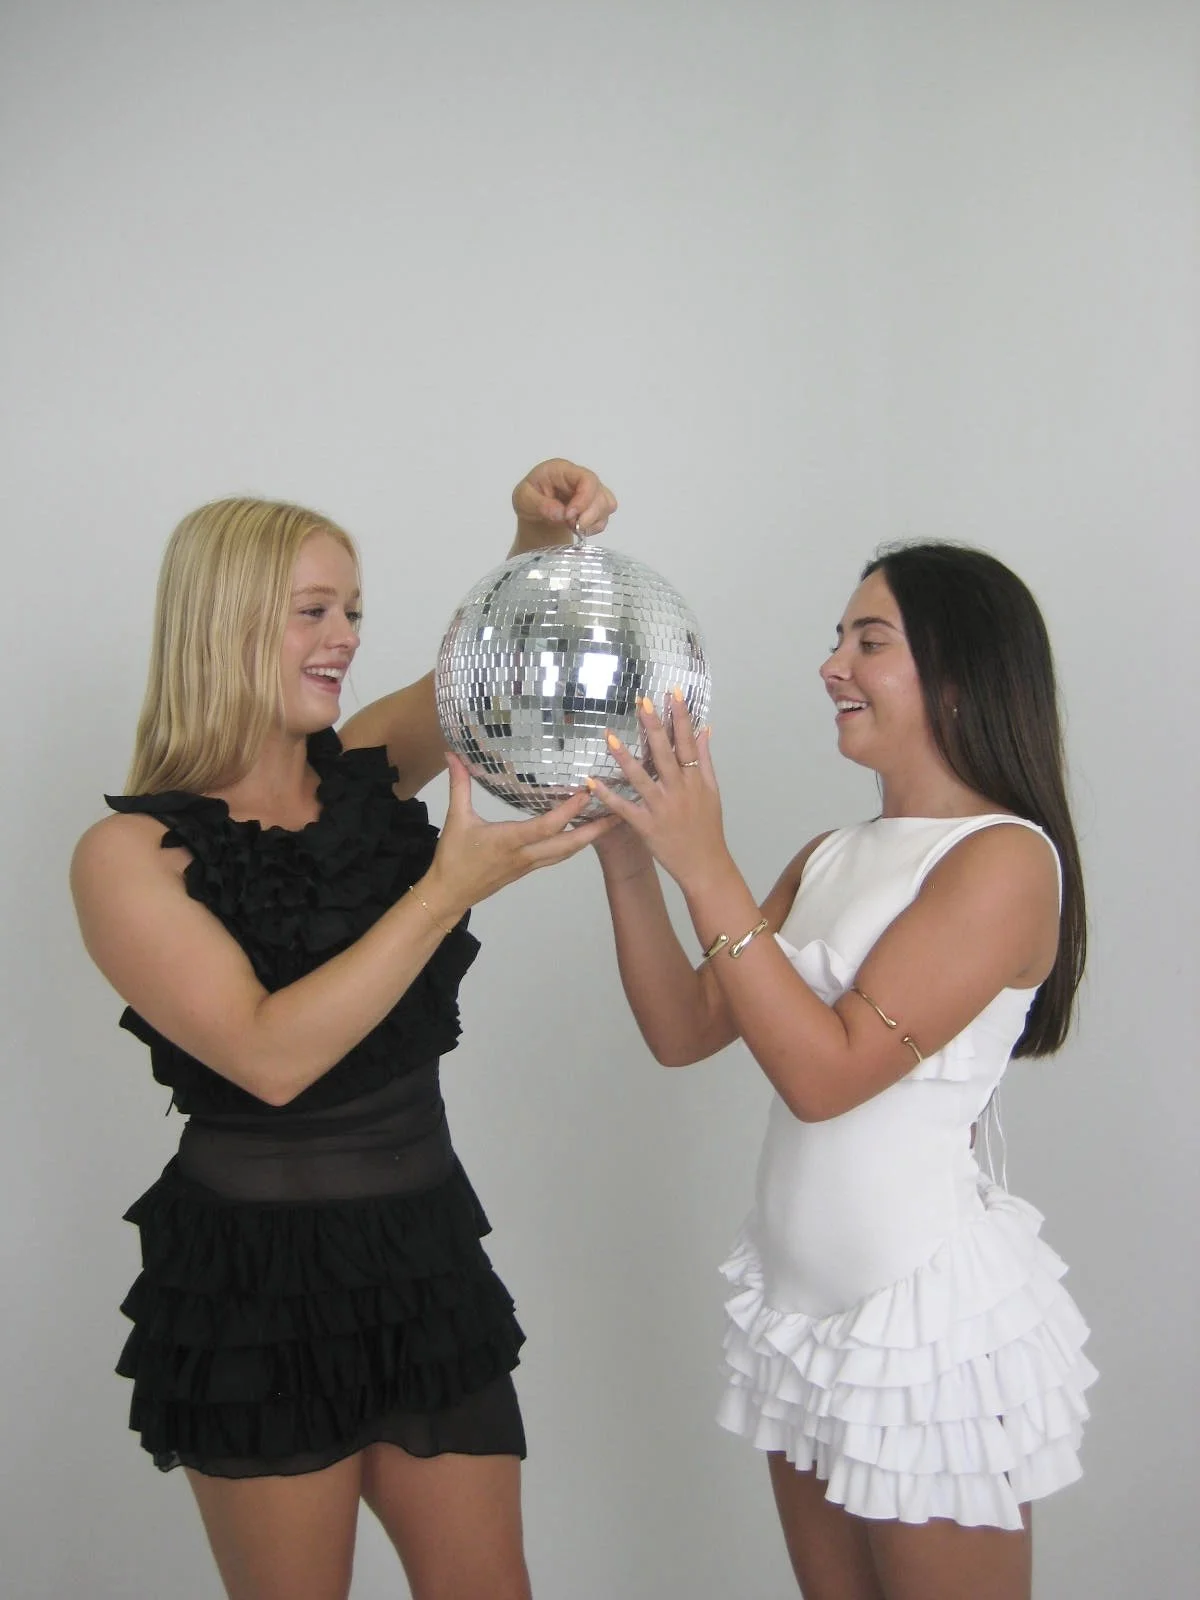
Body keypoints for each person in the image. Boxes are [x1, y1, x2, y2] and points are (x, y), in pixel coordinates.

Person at [69, 458, 617, 1600]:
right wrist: (443, 890)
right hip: (250, 1287)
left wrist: (531, 541)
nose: (345, 636)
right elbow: (268, 1056)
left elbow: (489, 665)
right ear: (224, 625)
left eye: (354, 611)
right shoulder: (129, 857)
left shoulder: (367, 770)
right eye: (313, 611)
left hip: (421, 1252)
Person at [587, 542, 1096, 1600]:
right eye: (837, 639)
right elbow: (685, 1027)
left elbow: (827, 1077)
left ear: (961, 671)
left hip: (925, 1327)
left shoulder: (1005, 858)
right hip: (803, 1318)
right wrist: (632, 857)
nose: (832, 665)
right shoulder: (829, 855)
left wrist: (707, 864)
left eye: (870, 640)